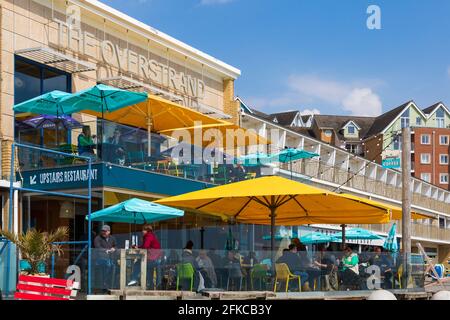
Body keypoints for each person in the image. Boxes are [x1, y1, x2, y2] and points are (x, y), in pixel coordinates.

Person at [128, 225, 162, 289]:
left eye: (143, 230)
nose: (142, 231)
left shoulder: (148, 236)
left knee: (137, 263)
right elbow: (145, 246)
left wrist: (138, 248)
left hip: (153, 259)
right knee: (148, 270)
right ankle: (150, 286)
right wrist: (138, 247)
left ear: (147, 231)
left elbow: (145, 247)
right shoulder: (151, 236)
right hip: (156, 258)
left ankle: (134, 279)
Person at [93, 225, 117, 292]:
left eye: (105, 231)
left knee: (114, 266)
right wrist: (105, 250)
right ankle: (104, 284)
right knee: (108, 265)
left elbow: (116, 246)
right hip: (100, 259)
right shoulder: (97, 238)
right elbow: (97, 247)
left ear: (109, 232)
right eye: (102, 231)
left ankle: (111, 285)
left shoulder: (112, 238)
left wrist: (114, 248)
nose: (103, 232)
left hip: (110, 259)